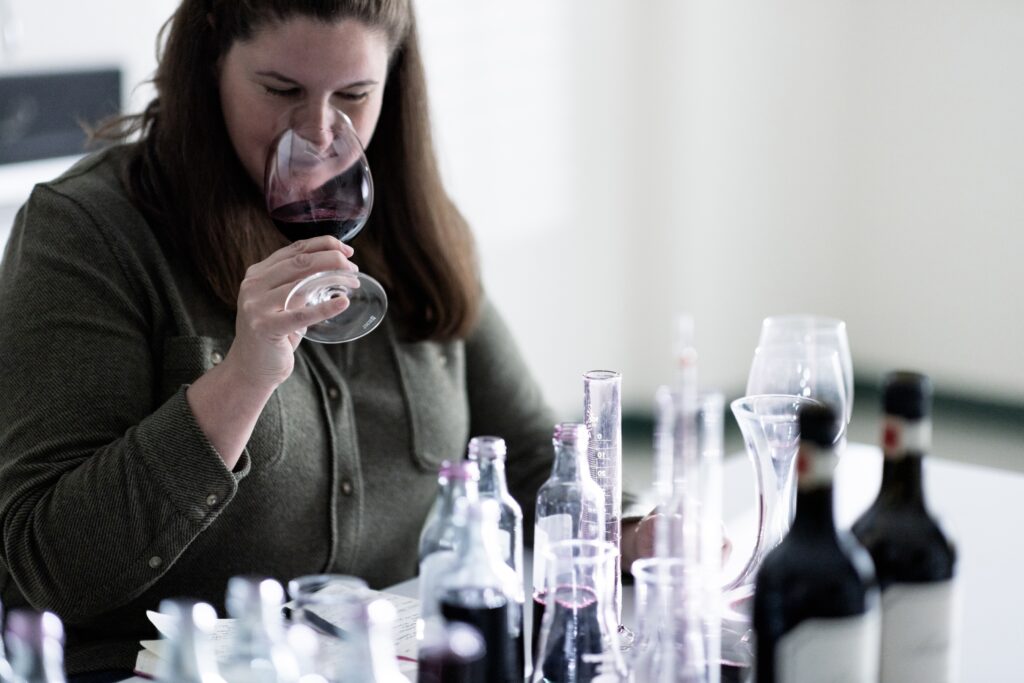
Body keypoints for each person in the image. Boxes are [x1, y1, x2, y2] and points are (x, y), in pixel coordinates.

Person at [0, 1, 656, 680]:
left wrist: (635, 529)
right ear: (210, 64)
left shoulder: (415, 229)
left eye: (353, 95)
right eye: (281, 90)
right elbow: (46, 568)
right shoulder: (89, 230)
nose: (317, 132)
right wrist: (244, 375)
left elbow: (521, 462)